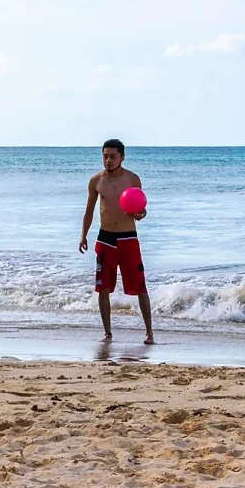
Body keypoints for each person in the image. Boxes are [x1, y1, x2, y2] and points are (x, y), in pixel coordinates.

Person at [79, 139, 153, 344]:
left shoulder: (133, 179)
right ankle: (108, 333)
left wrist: (141, 214)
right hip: (105, 238)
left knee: (140, 286)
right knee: (103, 288)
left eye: (112, 156)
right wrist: (83, 235)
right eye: (105, 156)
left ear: (122, 157)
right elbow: (89, 211)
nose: (108, 160)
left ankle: (149, 333)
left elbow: (141, 208)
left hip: (128, 238)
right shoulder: (96, 181)